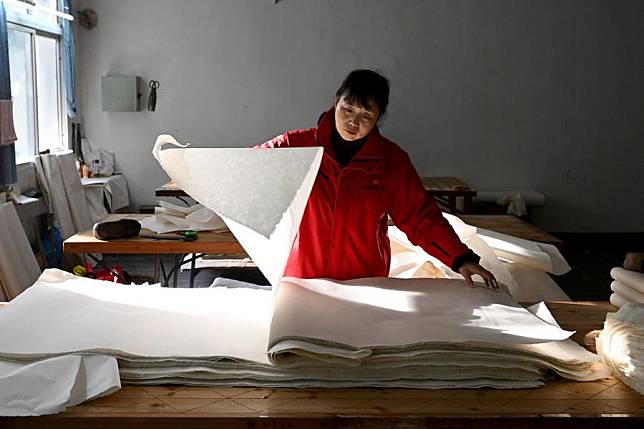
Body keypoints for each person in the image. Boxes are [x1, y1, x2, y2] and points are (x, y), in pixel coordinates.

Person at [259, 69, 497, 288]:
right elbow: (247, 169)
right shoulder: (296, 147)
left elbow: (420, 217)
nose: (353, 121)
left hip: (366, 281)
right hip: (304, 279)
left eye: (366, 114)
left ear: (378, 117)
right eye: (348, 109)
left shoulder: (391, 162)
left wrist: (460, 257)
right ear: (336, 101)